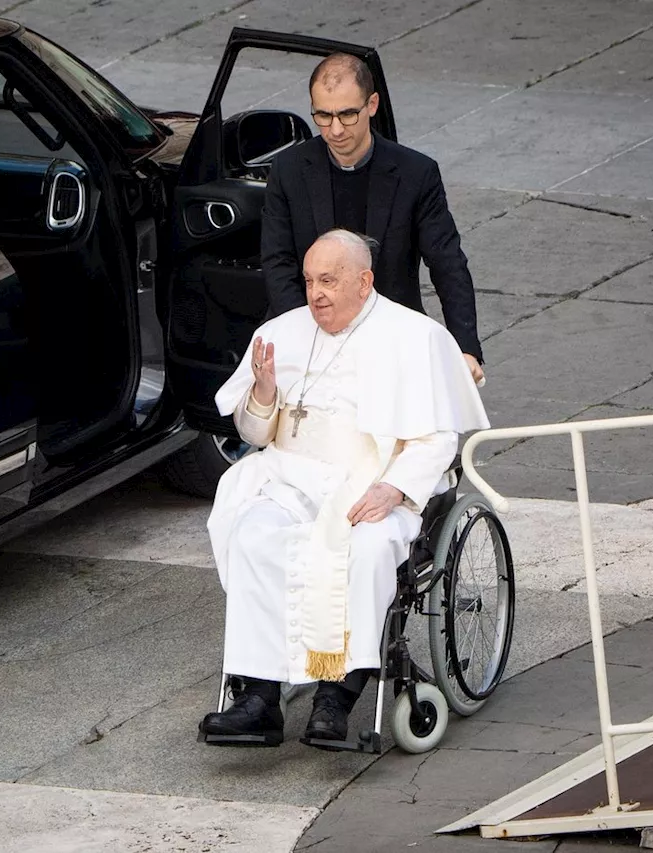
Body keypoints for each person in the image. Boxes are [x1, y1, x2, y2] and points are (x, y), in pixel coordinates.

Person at [199, 229, 489, 746]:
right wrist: (263, 395)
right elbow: (254, 435)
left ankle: (338, 693)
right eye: (310, 281)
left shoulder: (414, 337)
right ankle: (260, 697)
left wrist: (395, 489)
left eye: (329, 281)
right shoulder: (282, 334)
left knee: (369, 548)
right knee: (253, 534)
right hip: (290, 479)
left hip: (370, 483)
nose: (316, 294)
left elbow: (437, 437)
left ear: (364, 280)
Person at [261, 53, 485, 385]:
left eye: (348, 114)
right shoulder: (288, 170)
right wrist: (309, 333)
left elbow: (447, 262)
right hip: (308, 334)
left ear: (372, 104)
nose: (335, 130)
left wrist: (465, 347)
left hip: (392, 340)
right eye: (323, 115)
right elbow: (277, 261)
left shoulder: (416, 173)